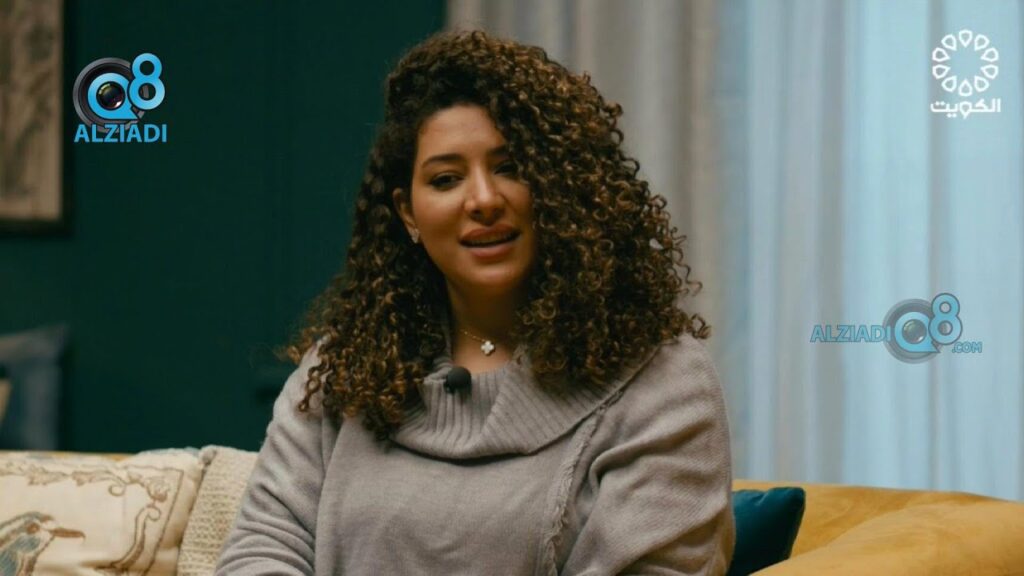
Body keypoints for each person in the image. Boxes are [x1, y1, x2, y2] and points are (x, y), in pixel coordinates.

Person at [216, 29, 735, 576]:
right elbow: (262, 550)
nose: (484, 200)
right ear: (409, 213)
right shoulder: (342, 370)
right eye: (446, 179)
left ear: (563, 187)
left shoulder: (662, 385)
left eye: (511, 167)